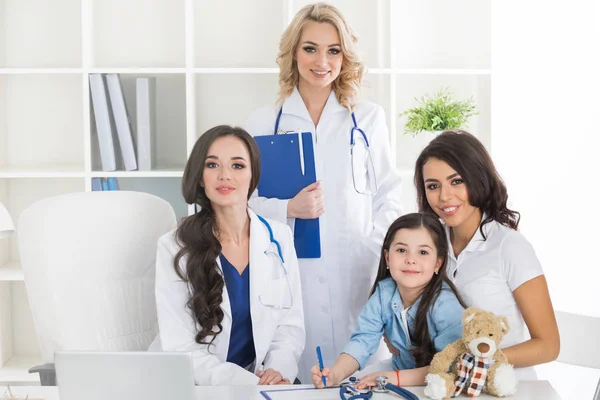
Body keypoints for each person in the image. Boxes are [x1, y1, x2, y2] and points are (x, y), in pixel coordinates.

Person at [244, 3, 403, 382]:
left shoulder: (366, 118)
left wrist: (371, 246)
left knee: (363, 375)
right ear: (293, 53)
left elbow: (389, 194)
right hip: (293, 272)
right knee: (300, 376)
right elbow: (240, 203)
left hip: (357, 274)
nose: (322, 61)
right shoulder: (262, 122)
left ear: (345, 57)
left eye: (333, 50)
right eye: (310, 48)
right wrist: (287, 208)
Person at [154, 126, 305, 385]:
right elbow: (182, 348)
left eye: (237, 166)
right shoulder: (175, 247)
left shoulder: (278, 238)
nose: (225, 176)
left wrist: (278, 371)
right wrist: (248, 383)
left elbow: (289, 325)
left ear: (252, 175)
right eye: (213, 165)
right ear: (200, 177)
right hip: (196, 386)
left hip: (261, 385)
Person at [412, 130, 560, 379]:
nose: (445, 196)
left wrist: (482, 361)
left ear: (477, 178)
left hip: (507, 388)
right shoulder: (430, 246)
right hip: (449, 388)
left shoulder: (509, 246)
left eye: (456, 181)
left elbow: (548, 346)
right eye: (433, 186)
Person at [310, 213, 465, 389]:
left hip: (439, 385)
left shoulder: (444, 304)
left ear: (438, 263)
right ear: (387, 257)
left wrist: (394, 378)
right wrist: (336, 374)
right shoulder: (384, 292)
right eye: (401, 250)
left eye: (423, 252)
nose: (410, 260)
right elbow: (363, 341)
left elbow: (451, 365)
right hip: (399, 373)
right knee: (354, 384)